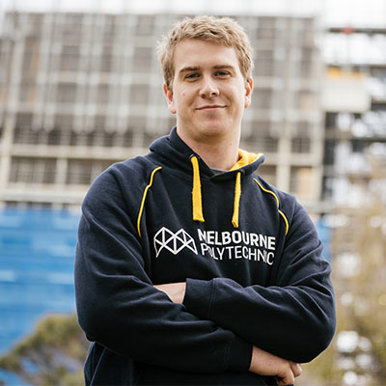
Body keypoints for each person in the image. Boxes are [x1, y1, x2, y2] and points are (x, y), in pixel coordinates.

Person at [75, 15, 336, 385]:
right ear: (170, 94)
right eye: (192, 75)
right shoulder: (122, 189)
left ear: (247, 90)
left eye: (222, 73)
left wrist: (193, 294)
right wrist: (245, 355)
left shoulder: (284, 214)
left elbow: (313, 322)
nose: (208, 87)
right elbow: (107, 311)